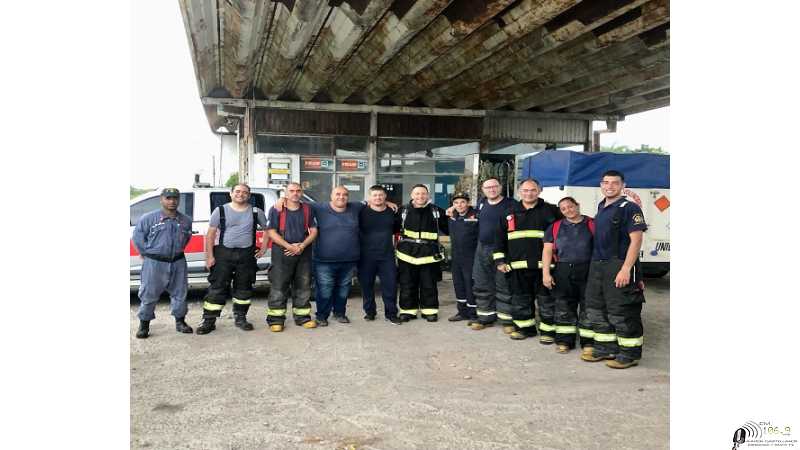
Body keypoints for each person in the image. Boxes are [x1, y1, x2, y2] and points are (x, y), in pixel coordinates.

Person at [582, 170, 647, 369]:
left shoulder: (629, 207)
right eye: (606, 182)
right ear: (601, 185)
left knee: (621, 310)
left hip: (618, 264)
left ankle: (629, 354)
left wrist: (626, 269)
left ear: (622, 185)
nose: (609, 186)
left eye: (615, 183)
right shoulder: (602, 206)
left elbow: (636, 240)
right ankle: (605, 348)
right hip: (598, 265)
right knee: (596, 308)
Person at [494, 179, 561, 341]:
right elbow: (498, 239)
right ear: (519, 192)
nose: (528, 193)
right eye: (525, 190)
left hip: (545, 267)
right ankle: (525, 329)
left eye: (532, 190)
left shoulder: (551, 211)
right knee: (520, 299)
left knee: (547, 301)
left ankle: (548, 331)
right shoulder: (508, 212)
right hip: (516, 267)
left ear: (539, 190)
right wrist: (500, 261)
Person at [196, 183, 268, 335]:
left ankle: (240, 318)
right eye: (237, 191)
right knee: (217, 288)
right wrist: (209, 257)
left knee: (244, 288)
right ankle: (209, 320)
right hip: (223, 254)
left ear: (249, 195)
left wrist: (263, 248)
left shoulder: (256, 211)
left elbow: (268, 230)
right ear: (231, 194)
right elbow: (210, 235)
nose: (240, 194)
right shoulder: (220, 210)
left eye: (244, 192)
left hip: (246, 256)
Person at [455, 178, 517, 332]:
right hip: (482, 248)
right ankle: (485, 317)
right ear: (483, 190)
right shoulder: (482, 203)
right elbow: (467, 212)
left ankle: (507, 321)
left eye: (494, 186)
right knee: (482, 284)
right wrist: (452, 208)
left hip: (504, 248)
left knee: (504, 285)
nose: (491, 190)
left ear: (500, 187)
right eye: (488, 187)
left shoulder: (512, 204)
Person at [131, 188, 194, 338]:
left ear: (178, 200)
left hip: (178, 261)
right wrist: (147, 254)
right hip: (154, 263)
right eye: (168, 198)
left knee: (180, 293)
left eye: (175, 198)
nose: (172, 201)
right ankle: (144, 325)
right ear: (162, 199)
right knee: (148, 294)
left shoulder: (185, 220)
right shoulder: (148, 219)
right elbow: (138, 239)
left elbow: (186, 239)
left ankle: (180, 322)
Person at [542, 197, 595, 354]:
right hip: (563, 270)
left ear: (577, 206)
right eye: (563, 209)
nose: (568, 210)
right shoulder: (555, 227)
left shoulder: (593, 224)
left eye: (570, 207)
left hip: (588, 270)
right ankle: (565, 341)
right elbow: (547, 251)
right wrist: (546, 273)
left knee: (588, 307)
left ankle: (588, 342)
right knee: (564, 307)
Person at [265, 182, 319, 332]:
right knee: (279, 286)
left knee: (303, 285)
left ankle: (303, 317)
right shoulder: (277, 209)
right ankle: (275, 320)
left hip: (303, 252)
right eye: (292, 191)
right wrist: (289, 246)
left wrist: (301, 246)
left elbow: (314, 231)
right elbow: (271, 232)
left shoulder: (308, 209)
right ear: (286, 193)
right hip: (282, 252)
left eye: (298, 190)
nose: (295, 193)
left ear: (301, 192)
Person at [310, 186, 363, 326]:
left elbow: (373, 201)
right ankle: (321, 316)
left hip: (349, 260)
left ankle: (339, 313)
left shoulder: (356, 207)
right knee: (325, 290)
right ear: (331, 196)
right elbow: (296, 202)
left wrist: (387, 203)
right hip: (324, 260)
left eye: (345, 194)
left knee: (343, 289)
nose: (341, 197)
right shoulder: (318, 207)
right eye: (338, 194)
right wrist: (282, 200)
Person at [396, 184, 449, 322]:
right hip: (406, 255)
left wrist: (454, 214)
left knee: (429, 284)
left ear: (428, 195)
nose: (420, 196)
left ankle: (429, 311)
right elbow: (391, 227)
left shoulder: (437, 211)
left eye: (423, 194)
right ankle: (408, 311)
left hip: (429, 255)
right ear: (412, 195)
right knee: (407, 284)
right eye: (417, 193)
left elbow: (449, 229)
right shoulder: (403, 211)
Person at [358, 185, 402, 325]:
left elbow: (397, 229)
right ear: (369, 197)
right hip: (366, 256)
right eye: (375, 195)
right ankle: (370, 312)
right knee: (366, 286)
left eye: (380, 195)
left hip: (386, 255)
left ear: (385, 197)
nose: (378, 198)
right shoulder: (361, 211)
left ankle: (391, 313)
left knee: (390, 286)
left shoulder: (392, 212)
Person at [446, 192, 479, 322]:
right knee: (458, 284)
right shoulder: (452, 216)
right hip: (456, 257)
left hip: (471, 257)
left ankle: (473, 313)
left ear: (468, 203)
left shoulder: (476, 215)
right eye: (456, 202)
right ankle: (462, 312)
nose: (459, 205)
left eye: (462, 202)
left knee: (470, 285)